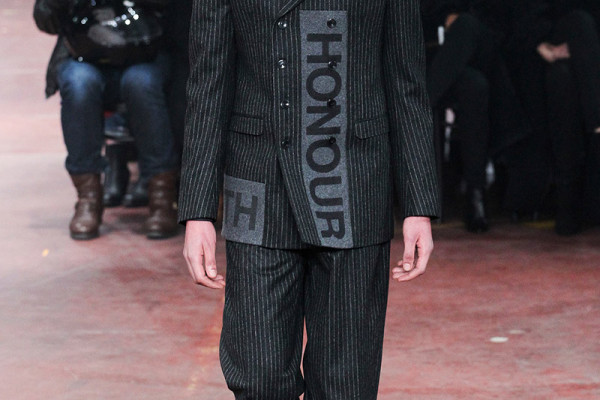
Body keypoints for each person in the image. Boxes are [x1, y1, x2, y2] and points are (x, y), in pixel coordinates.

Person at [179, 0, 440, 398]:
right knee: (259, 377)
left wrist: (418, 205)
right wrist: (198, 212)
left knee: (345, 384)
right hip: (259, 179)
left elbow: (407, 82)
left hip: (354, 181)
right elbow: (208, 83)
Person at [33, 0, 179, 240]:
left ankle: (162, 195)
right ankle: (88, 198)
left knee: (141, 84)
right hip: (84, 53)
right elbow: (44, 20)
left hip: (145, 48)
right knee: (79, 84)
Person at [421, 0, 529, 233]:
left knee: (467, 26)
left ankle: (419, 111)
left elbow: (503, 22)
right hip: (431, 58)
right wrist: (443, 20)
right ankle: (475, 194)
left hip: (476, 51)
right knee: (475, 86)